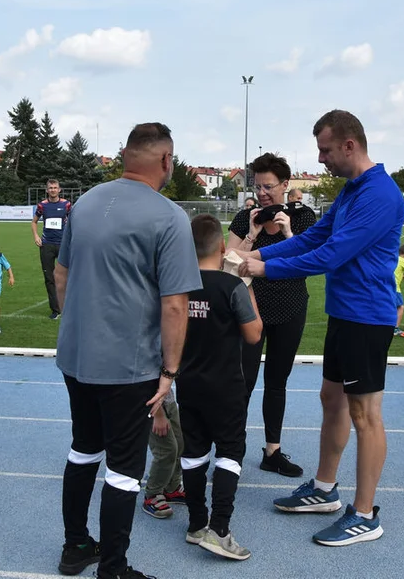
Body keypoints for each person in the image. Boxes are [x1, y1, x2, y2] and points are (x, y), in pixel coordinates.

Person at [237, 109, 404, 548]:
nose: (322, 158)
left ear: (350, 145)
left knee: (365, 414)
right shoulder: (352, 191)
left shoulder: (380, 194)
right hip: (345, 313)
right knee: (332, 398)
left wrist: (261, 268)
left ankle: (365, 514)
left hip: (368, 317)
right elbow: (311, 239)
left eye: (326, 150)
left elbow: (331, 255)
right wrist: (264, 257)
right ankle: (325, 489)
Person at [53, 122, 201, 579]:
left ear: (124, 156)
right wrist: (170, 371)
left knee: (83, 449)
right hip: (128, 364)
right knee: (123, 469)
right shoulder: (169, 216)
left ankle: (76, 546)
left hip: (76, 356)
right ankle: (113, 569)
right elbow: (176, 304)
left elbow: (62, 276)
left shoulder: (88, 201)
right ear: (165, 160)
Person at [225, 152, 316, 478]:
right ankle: (231, 452)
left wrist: (289, 233)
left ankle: (272, 452)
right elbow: (228, 263)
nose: (262, 193)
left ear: (285, 185)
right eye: (258, 186)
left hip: (290, 307)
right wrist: (252, 233)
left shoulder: (304, 217)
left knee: (277, 381)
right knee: (242, 382)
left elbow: (311, 260)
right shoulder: (244, 216)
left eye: (269, 186)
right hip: (249, 309)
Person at [179, 214, 263, 560]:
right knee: (230, 452)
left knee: (194, 451)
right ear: (222, 247)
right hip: (225, 386)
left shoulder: (176, 285)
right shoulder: (231, 287)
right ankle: (220, 529)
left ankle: (196, 524)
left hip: (188, 383)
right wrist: (247, 286)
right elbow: (254, 333)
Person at [32, 179, 71, 320]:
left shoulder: (66, 205)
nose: (53, 190)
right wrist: (36, 236)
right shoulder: (42, 206)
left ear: (59, 190)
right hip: (46, 245)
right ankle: (55, 310)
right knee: (49, 278)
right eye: (50, 188)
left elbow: (73, 221)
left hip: (62, 245)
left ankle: (68, 306)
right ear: (47, 190)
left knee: (66, 277)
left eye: (55, 187)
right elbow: (34, 221)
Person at [142, 392, 185, 520]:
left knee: (180, 443)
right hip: (151, 404)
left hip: (167, 400)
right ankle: (152, 494)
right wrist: (158, 414)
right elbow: (146, 381)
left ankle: (171, 487)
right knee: (166, 450)